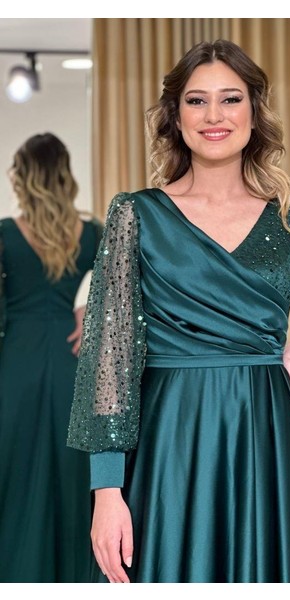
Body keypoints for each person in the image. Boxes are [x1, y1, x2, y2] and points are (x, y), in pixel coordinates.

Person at [67, 40, 290, 583]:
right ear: (175, 115)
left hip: (264, 436)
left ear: (254, 111)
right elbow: (110, 362)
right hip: (167, 440)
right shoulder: (136, 214)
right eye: (196, 101)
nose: (214, 116)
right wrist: (107, 490)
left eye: (230, 99)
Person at [0, 133, 103, 582]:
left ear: (22, 177)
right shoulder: (93, 232)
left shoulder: (5, 233)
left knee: (13, 470)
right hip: (71, 362)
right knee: (69, 474)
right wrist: (90, 313)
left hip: (14, 364)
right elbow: (127, 292)